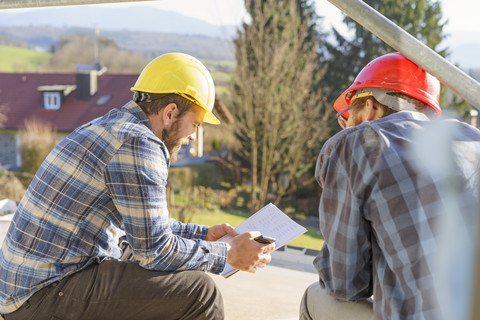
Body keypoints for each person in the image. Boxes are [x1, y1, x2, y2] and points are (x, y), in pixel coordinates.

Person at [0, 52, 275, 320]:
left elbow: (143, 228)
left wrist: (203, 235)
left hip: (28, 285)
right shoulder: (139, 144)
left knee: (144, 262)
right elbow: (155, 251)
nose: (193, 136)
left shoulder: (112, 126)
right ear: (170, 113)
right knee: (200, 293)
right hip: (41, 294)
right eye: (195, 124)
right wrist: (228, 253)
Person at [299, 52, 480, 319]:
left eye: (347, 115)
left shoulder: (356, 144)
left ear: (371, 107)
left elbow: (344, 284)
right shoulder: (472, 140)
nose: (346, 124)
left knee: (314, 296)